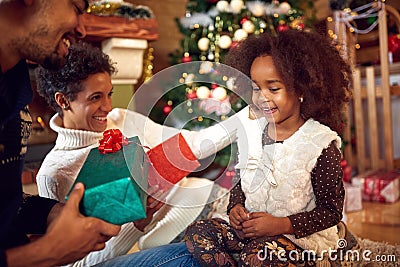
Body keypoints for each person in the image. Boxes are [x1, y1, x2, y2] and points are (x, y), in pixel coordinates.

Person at [0, 1, 201, 266]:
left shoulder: (15, 84)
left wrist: (55, 214)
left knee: (200, 250)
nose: (82, 28)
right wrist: (45, 251)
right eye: (77, 6)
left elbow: (8, 202)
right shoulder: (54, 171)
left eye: (109, 95)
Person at [35, 41, 248, 266]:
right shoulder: (54, 174)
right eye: (95, 97)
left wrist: (250, 116)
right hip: (176, 238)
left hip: (209, 199)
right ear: (63, 100)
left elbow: (191, 144)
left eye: (109, 94)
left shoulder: (119, 118)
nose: (107, 106)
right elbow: (76, 263)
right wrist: (137, 225)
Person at [185, 30, 358, 266]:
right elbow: (240, 181)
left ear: (301, 90)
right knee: (198, 232)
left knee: (258, 255)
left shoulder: (320, 144)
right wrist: (235, 207)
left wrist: (281, 224)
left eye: (273, 89)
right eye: (256, 88)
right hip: (251, 235)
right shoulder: (252, 132)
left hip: (299, 241)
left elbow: (330, 211)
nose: (262, 98)